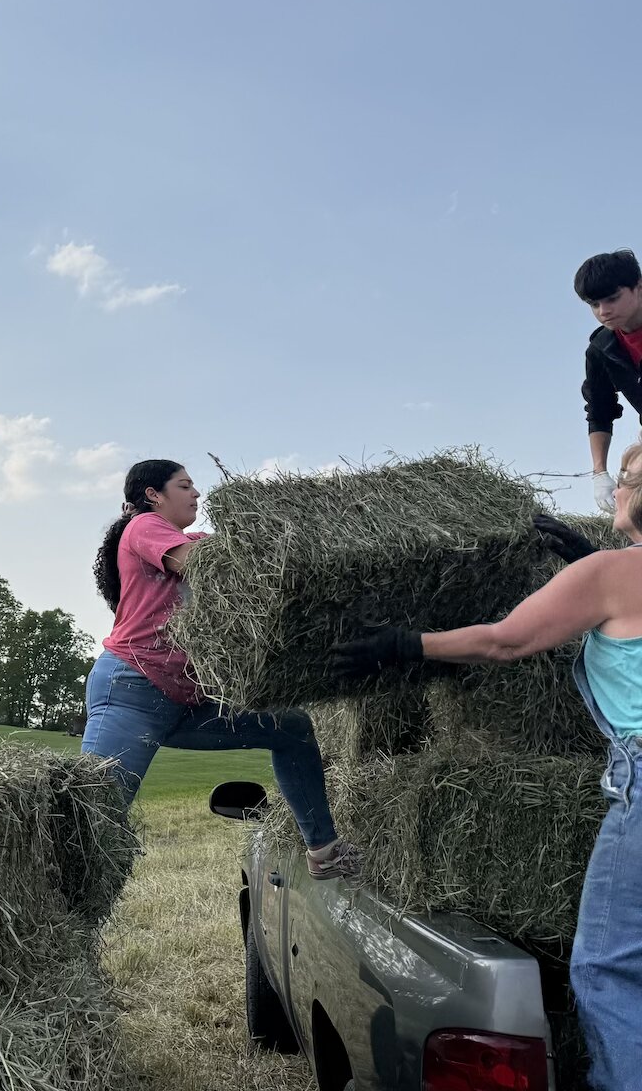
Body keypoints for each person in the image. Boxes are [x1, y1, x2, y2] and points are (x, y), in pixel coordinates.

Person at [331, 454, 642, 1090]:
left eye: (621, 479)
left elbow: (506, 641)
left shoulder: (615, 572)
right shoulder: (610, 571)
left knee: (611, 969)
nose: (610, 490)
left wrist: (406, 643)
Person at [81, 459, 357, 879]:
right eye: (185, 485)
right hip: (132, 689)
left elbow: (237, 550)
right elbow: (209, 565)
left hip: (187, 701)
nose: (196, 494)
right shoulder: (145, 526)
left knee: (291, 727)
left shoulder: (189, 536)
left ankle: (324, 852)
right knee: (96, 809)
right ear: (154, 495)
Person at [577, 249, 642, 512]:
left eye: (612, 298)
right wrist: (599, 473)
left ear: (638, 287)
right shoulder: (600, 350)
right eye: (594, 304)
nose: (603, 311)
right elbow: (600, 410)